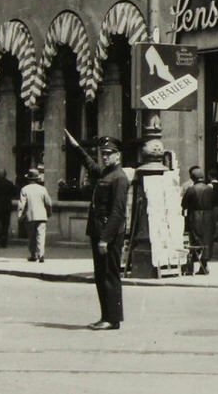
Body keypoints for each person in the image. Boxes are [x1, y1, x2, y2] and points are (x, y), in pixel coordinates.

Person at [83, 136, 129, 330]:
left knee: (109, 275)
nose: (105, 157)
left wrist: (105, 239)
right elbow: (90, 164)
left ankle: (112, 318)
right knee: (101, 275)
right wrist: (76, 146)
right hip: (100, 230)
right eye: (103, 154)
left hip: (108, 233)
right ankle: (107, 316)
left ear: (118, 156)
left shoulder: (119, 177)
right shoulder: (106, 173)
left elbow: (118, 212)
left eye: (109, 153)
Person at [181, 166, 215, 275]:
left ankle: (190, 267)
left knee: (193, 240)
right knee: (206, 241)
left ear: (192, 177)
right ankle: (204, 265)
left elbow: (184, 204)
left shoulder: (191, 189)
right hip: (208, 217)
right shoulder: (209, 189)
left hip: (195, 216)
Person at [17, 169, 53, 262]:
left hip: (30, 216)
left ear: (28, 179)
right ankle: (41, 255)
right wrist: (49, 213)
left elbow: (22, 204)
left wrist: (20, 215)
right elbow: (48, 203)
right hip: (41, 216)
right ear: (37, 179)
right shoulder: (43, 189)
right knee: (41, 235)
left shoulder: (25, 189)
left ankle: (33, 254)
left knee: (32, 236)